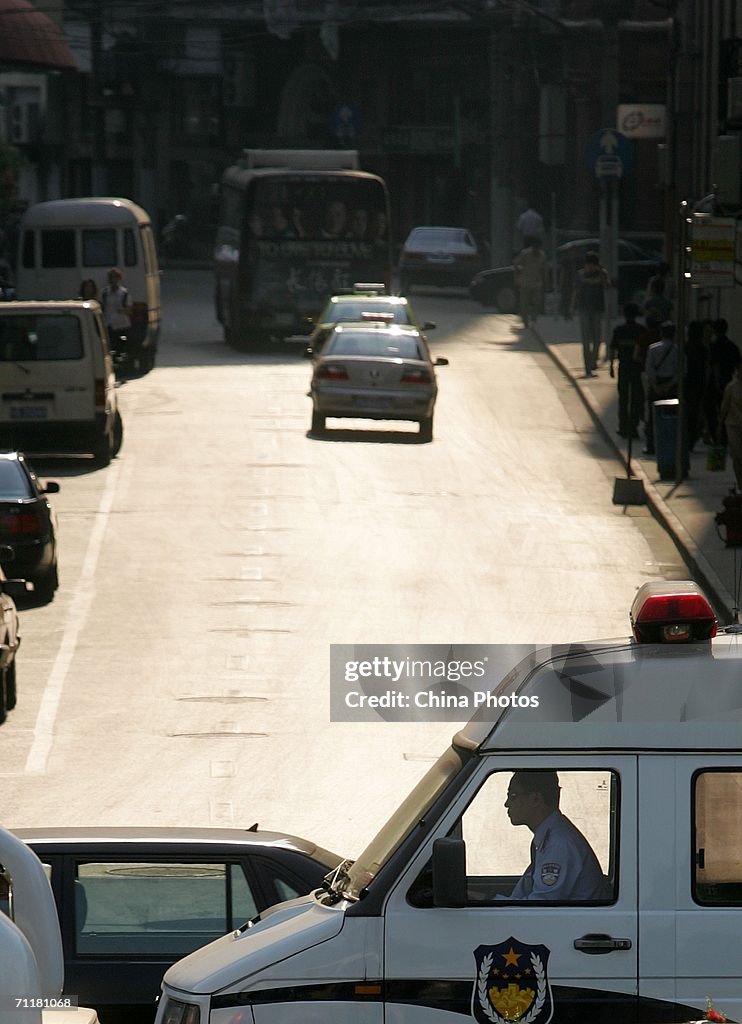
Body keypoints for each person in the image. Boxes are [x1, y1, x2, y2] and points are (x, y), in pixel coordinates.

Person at [502, 770, 609, 901]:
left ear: (535, 799)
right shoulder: (548, 838)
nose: (506, 803)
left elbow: (538, 907)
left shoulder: (559, 844)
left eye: (513, 796)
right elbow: (521, 897)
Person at [572, 250, 609, 377]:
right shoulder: (580, 274)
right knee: (586, 340)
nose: (590, 267)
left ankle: (594, 361)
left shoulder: (602, 274)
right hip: (584, 309)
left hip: (597, 309)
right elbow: (576, 292)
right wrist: (572, 307)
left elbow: (606, 285)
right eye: (588, 264)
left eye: (593, 264)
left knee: (597, 338)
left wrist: (601, 272)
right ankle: (588, 367)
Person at [644, 321, 679, 455]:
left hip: (656, 385)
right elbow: (681, 370)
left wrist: (655, 386)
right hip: (672, 386)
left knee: (653, 417)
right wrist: (670, 385)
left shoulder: (653, 349)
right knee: (672, 417)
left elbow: (649, 369)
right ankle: (670, 447)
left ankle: (651, 446)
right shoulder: (677, 350)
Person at [609, 303, 644, 438]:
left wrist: (611, 366)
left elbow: (613, 348)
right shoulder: (641, 330)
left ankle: (623, 426)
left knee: (623, 398)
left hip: (623, 367)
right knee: (636, 398)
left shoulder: (619, 330)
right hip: (637, 368)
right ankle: (633, 426)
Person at [513, 238, 547, 328]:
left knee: (538, 301)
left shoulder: (542, 255)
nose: (536, 250)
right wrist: (518, 275)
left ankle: (534, 317)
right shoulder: (525, 254)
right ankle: (525, 320)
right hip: (526, 281)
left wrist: (544, 280)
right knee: (524, 303)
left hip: (537, 282)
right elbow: (516, 263)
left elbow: (543, 268)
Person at [99, 267, 130, 359]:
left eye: (115, 278)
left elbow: (129, 309)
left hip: (121, 324)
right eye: (111, 278)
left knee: (120, 346)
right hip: (108, 323)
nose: (113, 280)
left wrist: (122, 310)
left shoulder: (124, 293)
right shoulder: (105, 292)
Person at [720, 366, 742, 491]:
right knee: (737, 455)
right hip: (733, 425)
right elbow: (725, 406)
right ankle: (740, 481)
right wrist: (720, 424)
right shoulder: (732, 387)